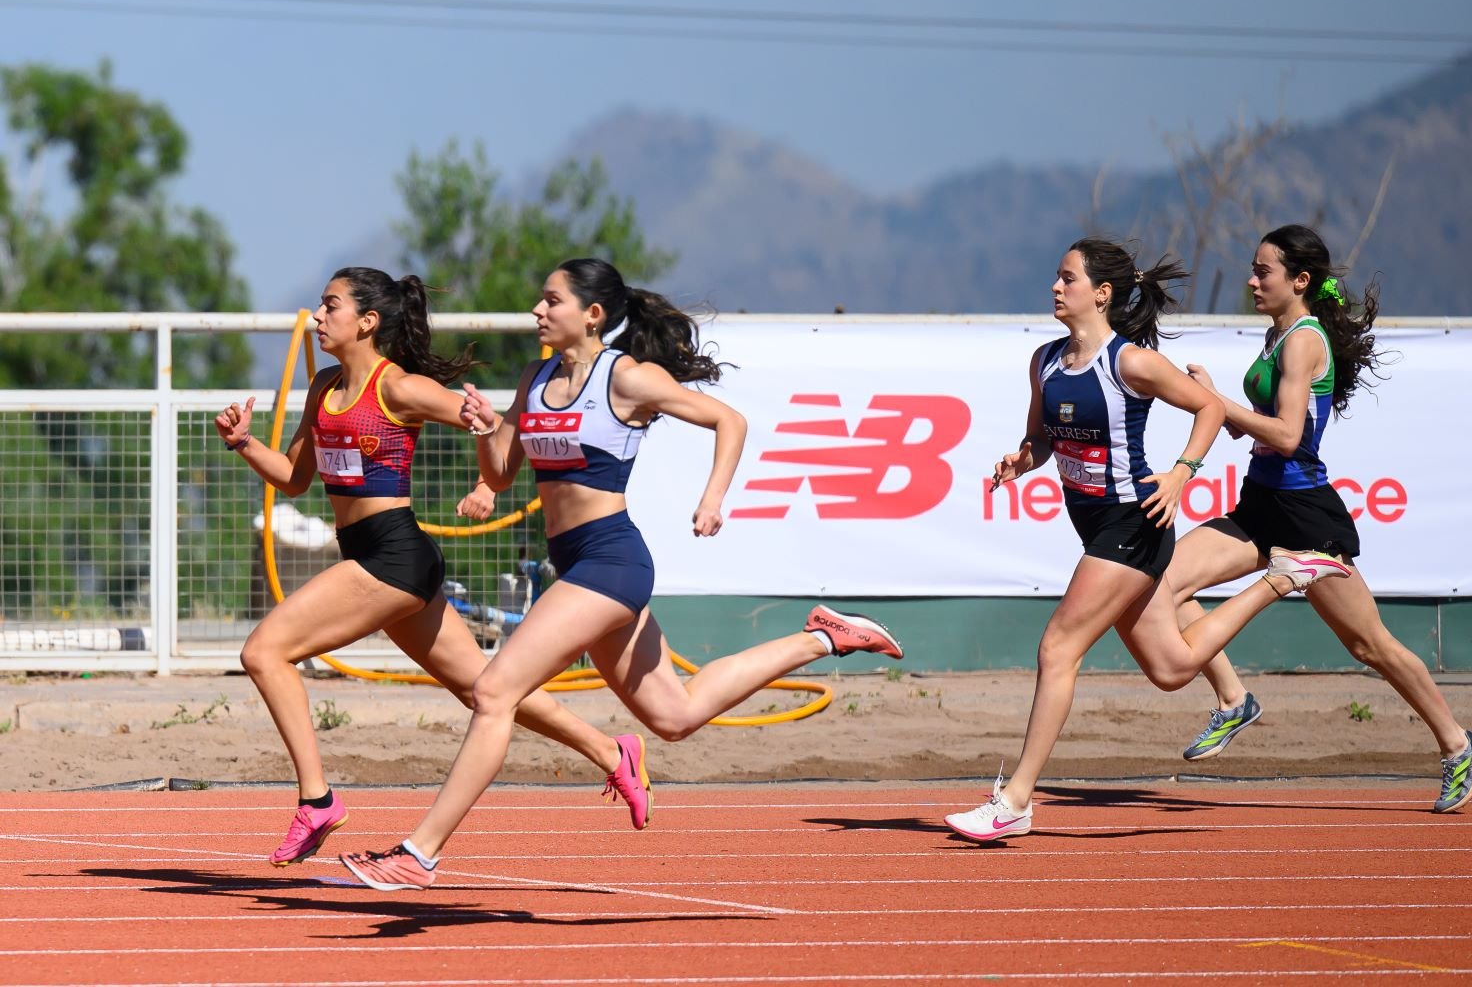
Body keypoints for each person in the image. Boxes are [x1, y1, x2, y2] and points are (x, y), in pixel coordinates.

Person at [338, 258, 902, 890]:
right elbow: (501, 471)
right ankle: (824, 636)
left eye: (552, 301)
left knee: (495, 691)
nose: (538, 311)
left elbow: (729, 421)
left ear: (593, 314)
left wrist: (713, 499)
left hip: (612, 561)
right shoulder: (536, 378)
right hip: (576, 564)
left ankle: (420, 854)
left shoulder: (628, 378)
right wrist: (483, 427)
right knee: (676, 717)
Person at [215, 266, 654, 866]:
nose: (318, 317)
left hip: (393, 556)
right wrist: (244, 444)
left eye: (329, 306)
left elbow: (490, 423)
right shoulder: (322, 388)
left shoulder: (400, 389)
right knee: (485, 691)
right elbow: (295, 479)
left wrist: (488, 485)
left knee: (264, 652)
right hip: (372, 556)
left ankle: (317, 801)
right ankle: (613, 753)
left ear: (367, 321)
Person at [943, 237, 1352, 843]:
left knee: (1058, 648)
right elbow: (1044, 439)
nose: (1056, 288)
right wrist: (1020, 461)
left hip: (1133, 524)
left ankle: (1016, 800)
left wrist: (1183, 472)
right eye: (1056, 278)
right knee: (1172, 668)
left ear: (1102, 294)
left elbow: (1208, 409)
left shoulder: (1130, 362)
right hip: (1098, 526)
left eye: (1068, 279)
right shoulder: (1046, 362)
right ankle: (1282, 579)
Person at [1165, 224, 1472, 813]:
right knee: (1165, 580)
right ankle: (1234, 699)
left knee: (1368, 644)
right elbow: (1260, 428)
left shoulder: (1304, 340)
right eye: (1254, 269)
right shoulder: (1276, 332)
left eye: (1264, 271)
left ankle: (1457, 742)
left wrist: (1218, 405)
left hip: (1307, 518)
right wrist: (1217, 400)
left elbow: (1288, 437)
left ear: (1300, 281)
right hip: (1258, 506)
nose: (1252, 280)